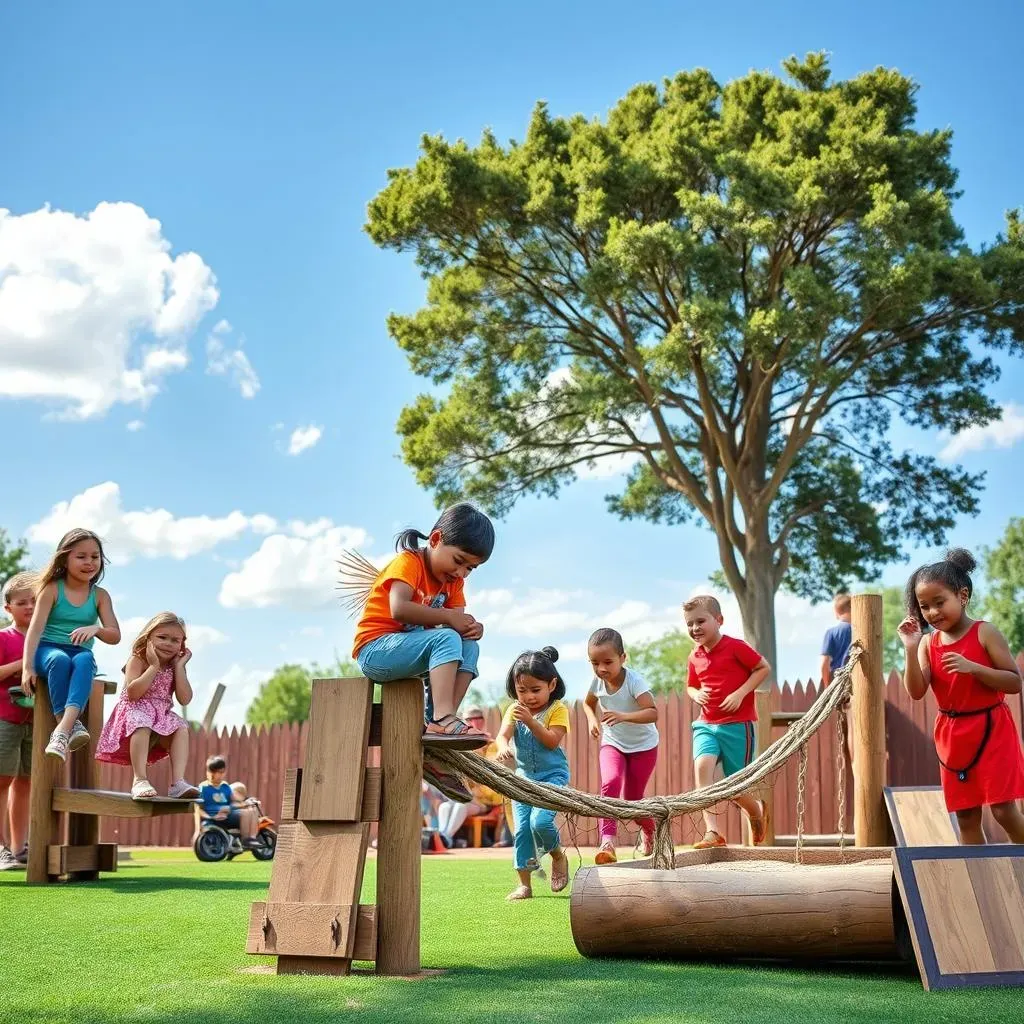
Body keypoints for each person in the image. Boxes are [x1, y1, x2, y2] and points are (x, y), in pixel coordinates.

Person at [349, 502, 494, 801]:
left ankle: (439, 724)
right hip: (377, 650)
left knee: (468, 646)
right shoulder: (409, 563)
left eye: (471, 568)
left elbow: (456, 627)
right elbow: (399, 608)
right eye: (459, 561)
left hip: (413, 650)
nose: (462, 572)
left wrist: (470, 627)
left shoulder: (453, 584)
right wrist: (449, 620)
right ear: (437, 539)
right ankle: (442, 719)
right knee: (447, 639)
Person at [898, 549, 1024, 845]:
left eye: (939, 603)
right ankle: (980, 885)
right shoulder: (927, 643)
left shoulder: (985, 633)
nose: (932, 613)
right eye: (924, 606)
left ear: (963, 596)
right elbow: (916, 692)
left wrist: (974, 669)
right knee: (966, 817)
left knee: (1004, 810)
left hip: (992, 729)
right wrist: (909, 647)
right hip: (952, 736)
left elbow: (1014, 682)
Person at [20, 528, 121, 762]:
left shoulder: (100, 596)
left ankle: (63, 730)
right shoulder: (52, 589)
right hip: (47, 650)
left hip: (80, 652)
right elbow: (34, 631)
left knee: (85, 660)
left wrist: (96, 629)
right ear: (65, 559)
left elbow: (115, 635)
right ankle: (65, 727)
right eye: (81, 556)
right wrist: (27, 668)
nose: (89, 562)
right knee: (60, 659)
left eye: (95, 557)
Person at [684, 595, 769, 849]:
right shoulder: (694, 656)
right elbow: (690, 686)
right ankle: (713, 832)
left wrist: (741, 693)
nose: (695, 628)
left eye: (701, 621)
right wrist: (696, 694)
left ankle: (756, 811)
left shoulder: (735, 647)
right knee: (703, 769)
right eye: (690, 623)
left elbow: (762, 668)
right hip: (706, 724)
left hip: (737, 726)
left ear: (719, 620)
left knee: (733, 786)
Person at [95, 612, 201, 800]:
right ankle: (140, 780)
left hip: (161, 716)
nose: (169, 643)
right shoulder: (138, 659)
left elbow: (185, 699)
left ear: (182, 645)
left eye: (175, 640)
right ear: (148, 638)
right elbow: (133, 693)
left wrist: (179, 666)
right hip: (134, 712)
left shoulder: (174, 666)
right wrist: (153, 667)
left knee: (181, 727)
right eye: (162, 637)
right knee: (142, 720)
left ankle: (178, 783)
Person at [495, 647, 571, 900]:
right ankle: (525, 885)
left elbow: (551, 741)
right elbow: (502, 735)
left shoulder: (558, 710)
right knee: (523, 830)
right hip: (524, 779)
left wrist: (530, 721)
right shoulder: (514, 710)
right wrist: (504, 746)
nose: (528, 697)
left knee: (540, 822)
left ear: (552, 684)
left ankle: (557, 855)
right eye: (522, 690)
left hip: (553, 777)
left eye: (535, 690)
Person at [583, 628, 659, 864]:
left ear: (623, 658)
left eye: (608, 662)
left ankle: (649, 830)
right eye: (595, 663)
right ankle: (607, 842)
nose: (601, 669)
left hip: (643, 746)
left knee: (634, 800)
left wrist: (624, 716)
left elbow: (653, 713)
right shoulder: (597, 682)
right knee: (610, 782)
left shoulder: (634, 682)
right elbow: (588, 704)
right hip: (613, 743)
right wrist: (593, 720)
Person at [0, 573, 36, 870]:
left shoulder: (46, 639)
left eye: (35, 601)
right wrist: (23, 665)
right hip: (5, 717)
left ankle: (19, 847)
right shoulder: (3, 638)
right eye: (22, 602)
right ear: (8, 608)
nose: (29, 607)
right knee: (2, 781)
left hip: (37, 721)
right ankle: (2, 849)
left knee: (25, 782)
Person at [435, 705, 503, 846]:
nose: (474, 722)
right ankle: (443, 837)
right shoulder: (460, 744)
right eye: (469, 719)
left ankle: (444, 838)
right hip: (465, 797)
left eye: (478, 718)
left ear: (483, 721)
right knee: (444, 807)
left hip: (485, 801)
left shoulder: (492, 745)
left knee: (460, 805)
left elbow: (491, 775)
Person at [198, 755, 262, 850]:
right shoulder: (203, 788)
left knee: (251, 810)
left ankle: (251, 838)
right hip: (214, 817)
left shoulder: (225, 786)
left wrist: (247, 802)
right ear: (210, 772)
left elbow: (234, 801)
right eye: (218, 772)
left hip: (228, 815)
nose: (221, 775)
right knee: (245, 813)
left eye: (222, 772)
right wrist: (212, 817)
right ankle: (245, 840)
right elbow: (198, 809)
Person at [820, 593, 853, 686]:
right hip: (857, 681)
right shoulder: (861, 632)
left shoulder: (831, 632)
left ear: (836, 611)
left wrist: (827, 686)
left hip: (838, 682)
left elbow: (824, 663)